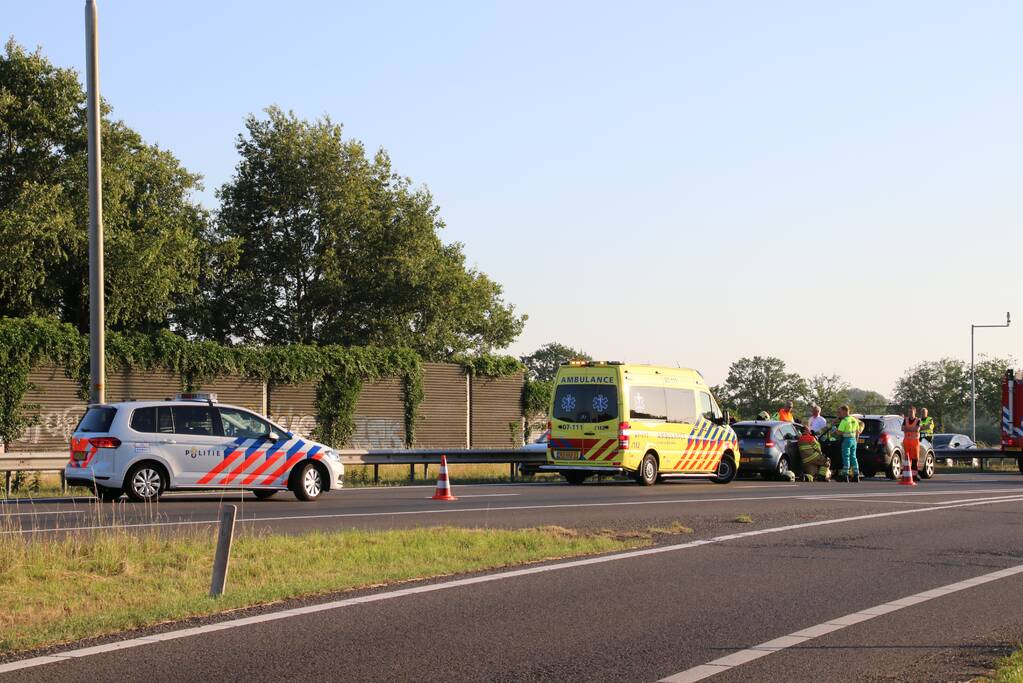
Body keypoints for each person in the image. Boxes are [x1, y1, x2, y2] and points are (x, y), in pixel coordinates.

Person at [833, 405, 863, 482]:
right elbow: (858, 432)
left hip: (846, 440)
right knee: (853, 457)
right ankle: (856, 475)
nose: (839, 414)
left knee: (846, 457)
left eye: (840, 412)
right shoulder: (854, 420)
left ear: (844, 411)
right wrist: (856, 440)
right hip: (853, 440)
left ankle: (845, 475)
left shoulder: (844, 421)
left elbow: (840, 433)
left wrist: (834, 429)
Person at [903, 406, 921, 481]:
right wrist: (911, 429)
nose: (910, 413)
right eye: (909, 412)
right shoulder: (905, 419)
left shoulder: (918, 420)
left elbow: (917, 429)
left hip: (915, 442)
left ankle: (914, 475)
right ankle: (907, 475)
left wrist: (907, 429)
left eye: (911, 412)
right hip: (906, 442)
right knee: (907, 459)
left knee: (915, 459)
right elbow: (902, 428)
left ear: (915, 412)